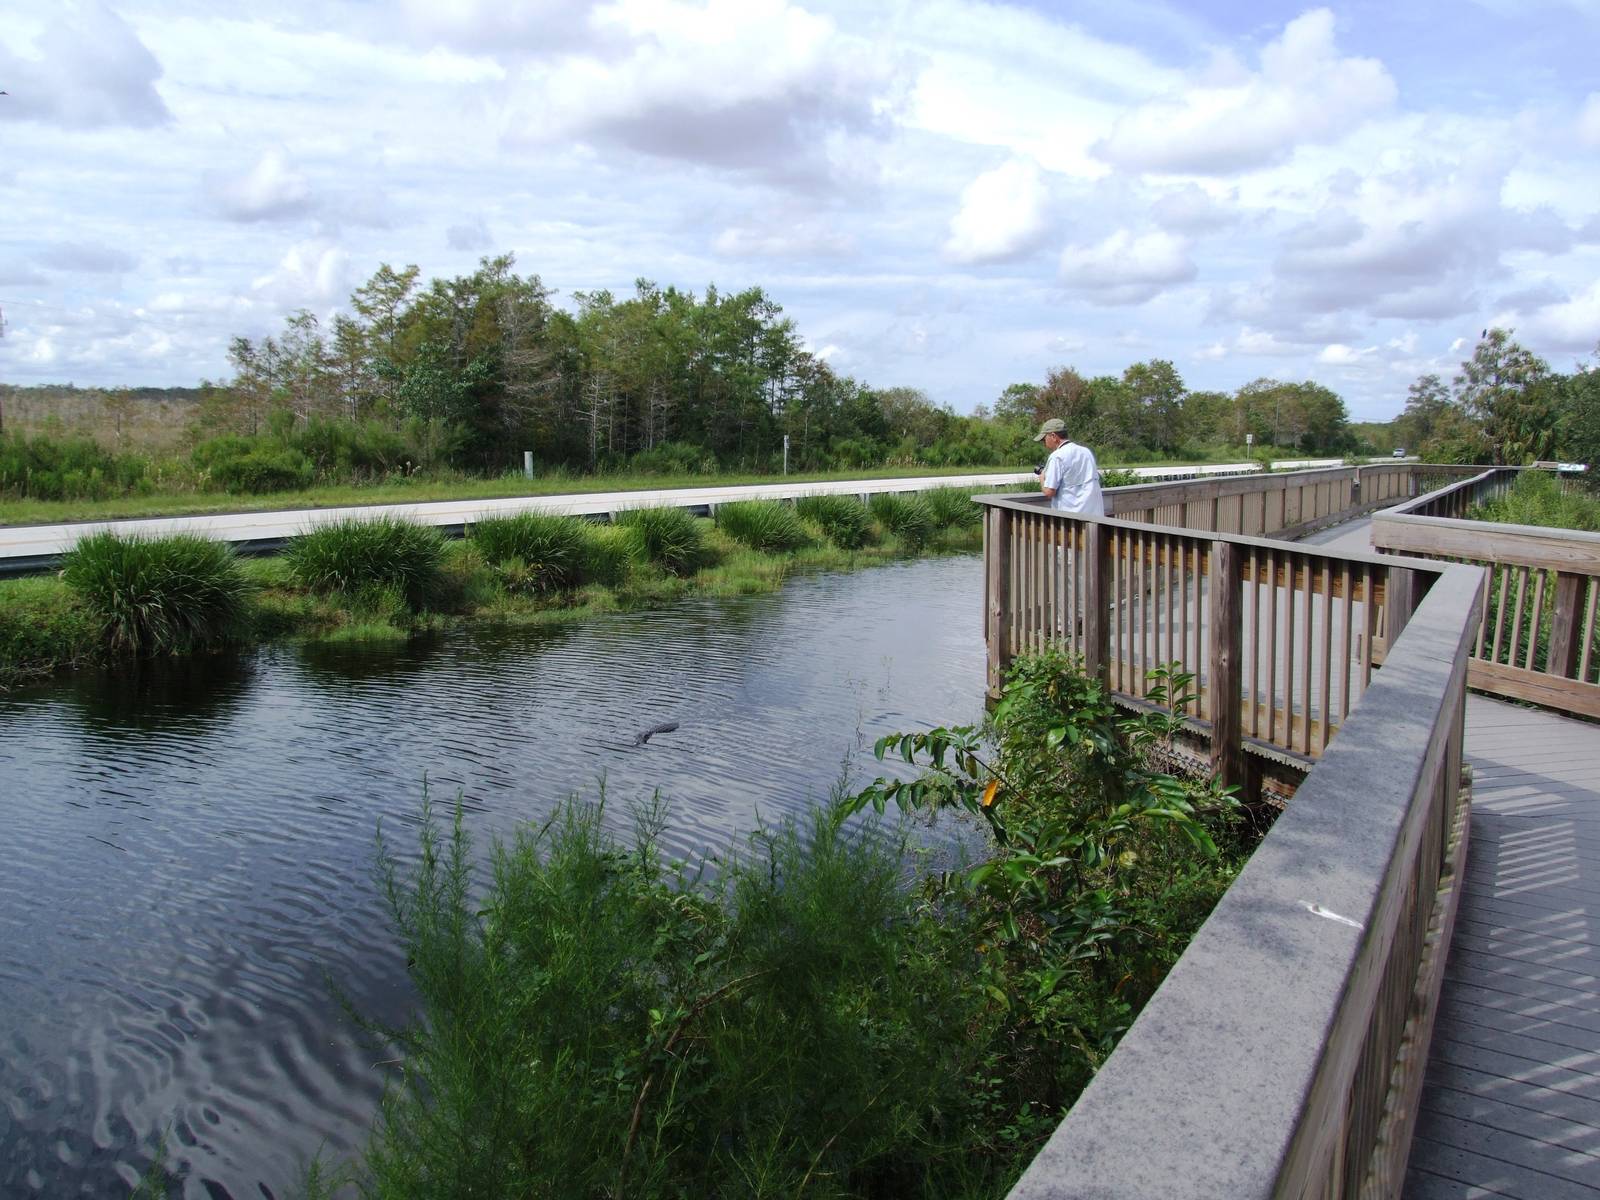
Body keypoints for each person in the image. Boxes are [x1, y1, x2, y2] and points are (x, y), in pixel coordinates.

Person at [1032, 419, 1105, 516]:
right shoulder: (1086, 451)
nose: (1044, 443)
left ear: (1053, 436)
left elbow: (1049, 492)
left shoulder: (1057, 456)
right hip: (1094, 516)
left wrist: (1042, 478)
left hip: (1071, 519)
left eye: (1044, 439)